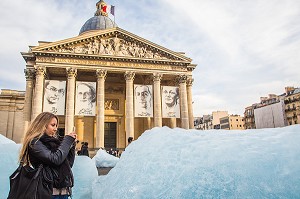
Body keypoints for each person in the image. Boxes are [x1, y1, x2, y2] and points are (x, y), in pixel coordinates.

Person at [17, 112, 77, 199]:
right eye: (53, 125)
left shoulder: (55, 143)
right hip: (46, 193)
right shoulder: (34, 143)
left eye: (56, 125)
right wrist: (67, 141)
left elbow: (68, 164)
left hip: (63, 192)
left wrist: (71, 146)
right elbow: (55, 159)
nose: (56, 129)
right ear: (42, 125)